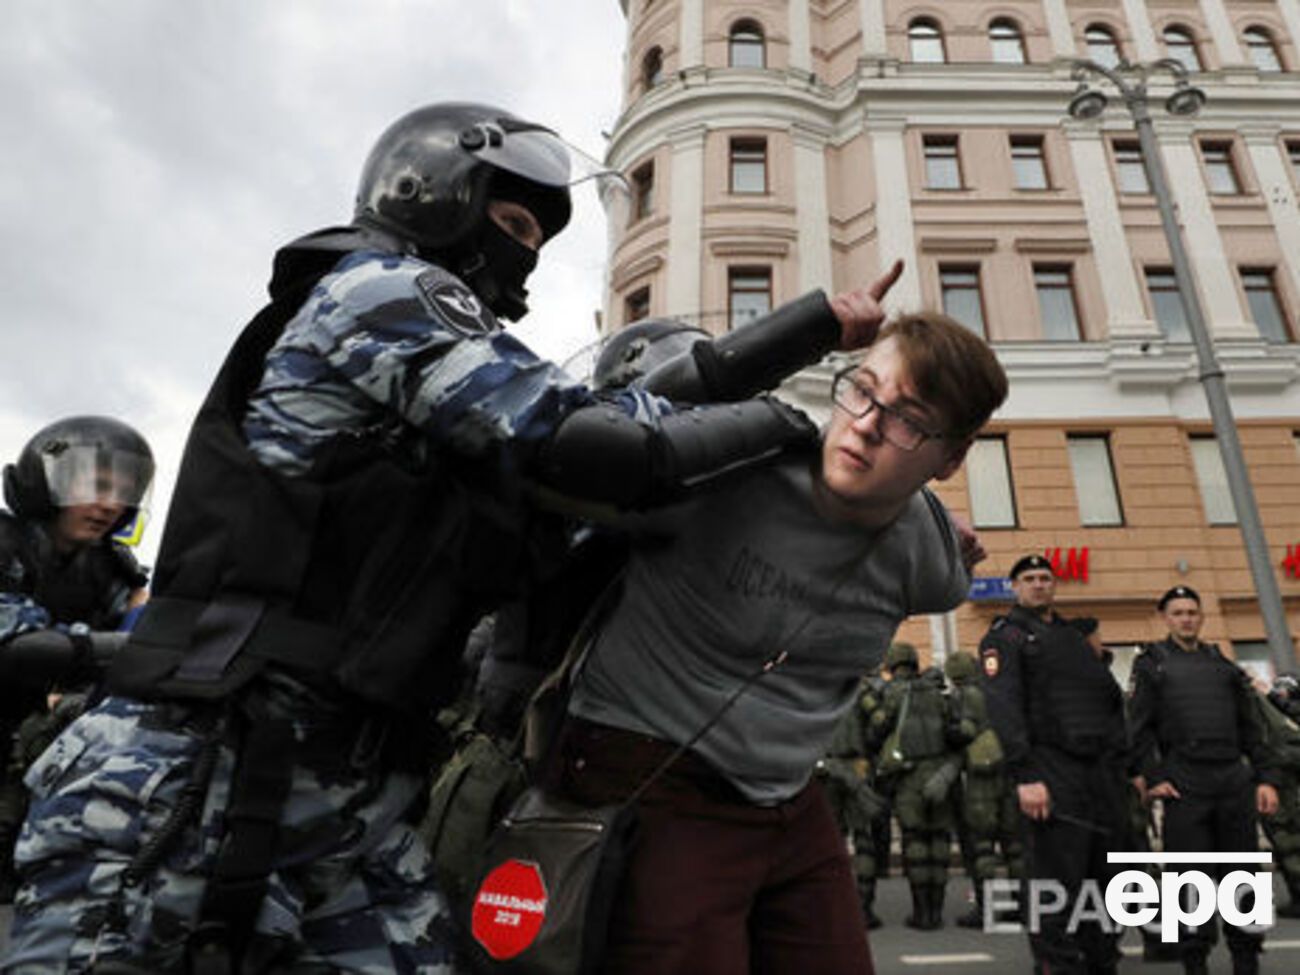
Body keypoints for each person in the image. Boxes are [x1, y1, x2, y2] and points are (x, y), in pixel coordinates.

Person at [3, 102, 905, 975]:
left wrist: (812, 325)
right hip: (190, 770)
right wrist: (789, 424)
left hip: (352, 788)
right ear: (436, 192)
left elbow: (631, 407)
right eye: (512, 219)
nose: (524, 254)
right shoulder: (379, 290)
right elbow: (607, 447)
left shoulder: (460, 405)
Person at [546, 310, 1009, 974]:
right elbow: (575, 446)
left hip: (786, 794)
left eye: (908, 420)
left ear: (951, 458)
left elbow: (953, 561)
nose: (867, 424)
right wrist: (807, 325)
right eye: (863, 389)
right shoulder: (728, 469)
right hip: (645, 768)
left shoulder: (930, 560)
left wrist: (943, 518)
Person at [0, 415, 153, 903]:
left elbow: (143, 622)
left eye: (123, 490)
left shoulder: (111, 569)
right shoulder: (4, 542)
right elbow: (20, 648)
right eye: (94, 483)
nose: (110, 503)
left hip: (32, 732)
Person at [978, 554, 1130, 975]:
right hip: (1049, 769)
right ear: (1015, 587)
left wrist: (1124, 767)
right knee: (1055, 883)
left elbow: (1107, 700)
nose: (1039, 584)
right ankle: (1057, 964)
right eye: (1029, 579)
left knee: (1104, 876)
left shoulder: (1070, 637)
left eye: (1046, 578)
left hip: (1098, 773)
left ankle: (1101, 958)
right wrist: (1025, 775)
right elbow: (1004, 708)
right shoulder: (1005, 638)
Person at [1128, 585, 1280, 975]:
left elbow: (1251, 726)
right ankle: (1195, 961)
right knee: (1190, 878)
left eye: (1192, 612)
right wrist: (1154, 775)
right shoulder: (1152, 664)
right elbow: (1139, 729)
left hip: (1232, 779)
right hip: (1186, 781)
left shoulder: (1222, 664)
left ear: (1201, 617)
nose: (1186, 619)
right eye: (1178, 613)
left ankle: (1246, 958)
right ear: (1166, 618)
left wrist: (1266, 779)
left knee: (1242, 875)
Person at [865, 641, 964, 930]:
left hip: (908, 777)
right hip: (939, 775)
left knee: (916, 843)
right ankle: (937, 910)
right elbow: (955, 733)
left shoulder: (892, 694)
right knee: (939, 843)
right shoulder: (937, 694)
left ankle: (922, 913)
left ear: (892, 664)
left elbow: (876, 733)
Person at [944, 649, 1021, 930]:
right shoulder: (998, 689)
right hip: (1008, 771)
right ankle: (1022, 904)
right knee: (1014, 846)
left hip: (980, 778)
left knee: (982, 846)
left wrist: (949, 731)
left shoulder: (965, 695)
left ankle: (986, 907)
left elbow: (965, 731)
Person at [1263, 673, 1300, 918]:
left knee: (1289, 845)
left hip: (1287, 791)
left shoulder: (1287, 720)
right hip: (1279, 787)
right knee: (1284, 845)